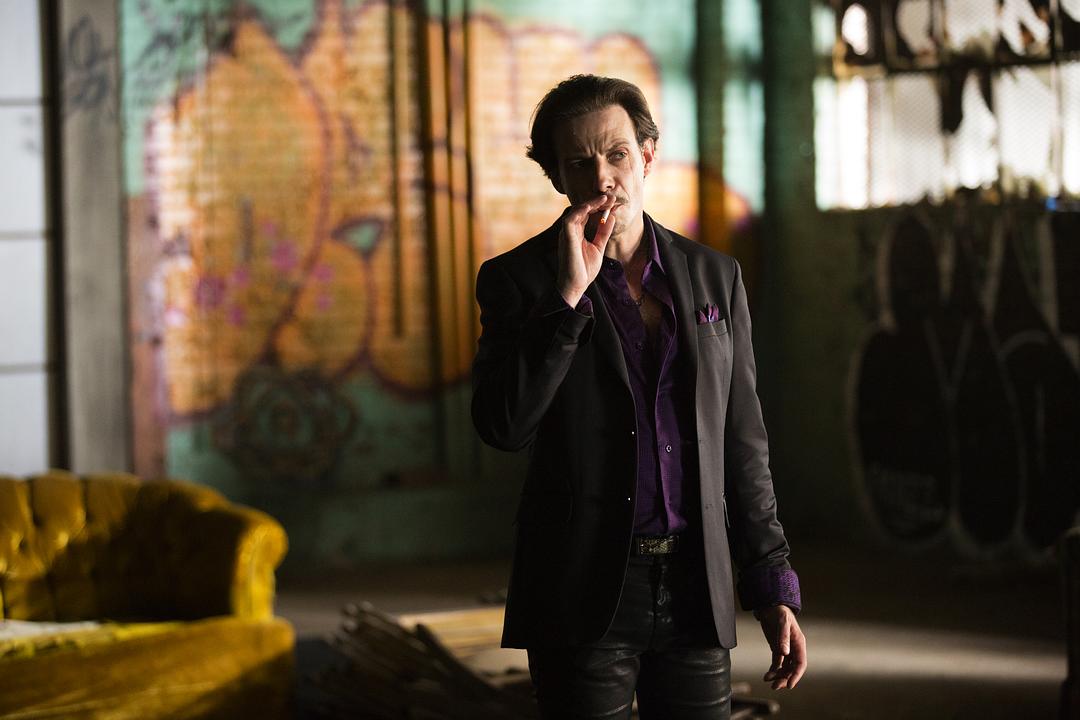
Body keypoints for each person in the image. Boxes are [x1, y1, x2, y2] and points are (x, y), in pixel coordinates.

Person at [471, 74, 807, 719]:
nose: (602, 178)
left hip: (696, 588)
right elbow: (504, 425)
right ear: (557, 177)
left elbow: (743, 441)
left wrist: (771, 584)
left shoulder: (714, 275)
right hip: (579, 590)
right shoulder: (517, 280)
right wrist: (568, 298)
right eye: (579, 163)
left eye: (617, 154)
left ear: (647, 156)